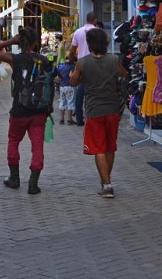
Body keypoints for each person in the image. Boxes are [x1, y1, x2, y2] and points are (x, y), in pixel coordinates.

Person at [0, 27, 53, 194]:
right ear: (36, 43)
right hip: (39, 111)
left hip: (19, 110)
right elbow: (50, 83)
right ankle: (33, 183)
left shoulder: (15, 59)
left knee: (13, 141)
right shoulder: (44, 60)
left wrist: (11, 41)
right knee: (37, 145)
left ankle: (14, 178)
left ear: (21, 41)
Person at [69, 28, 127, 198]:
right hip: (113, 109)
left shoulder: (83, 62)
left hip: (94, 110)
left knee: (98, 148)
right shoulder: (114, 59)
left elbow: (73, 82)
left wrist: (76, 75)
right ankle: (106, 180)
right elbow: (124, 74)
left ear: (89, 43)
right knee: (110, 147)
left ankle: (107, 185)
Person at [69, 12, 98, 126]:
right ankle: (94, 116)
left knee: (80, 91)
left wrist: (73, 60)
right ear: (95, 20)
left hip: (81, 63)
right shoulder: (97, 32)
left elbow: (72, 49)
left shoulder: (78, 32)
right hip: (95, 63)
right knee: (95, 90)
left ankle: (79, 118)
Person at [56, 57, 76, 125]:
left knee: (62, 102)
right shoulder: (72, 67)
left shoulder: (61, 67)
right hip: (70, 86)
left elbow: (58, 78)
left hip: (62, 87)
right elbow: (71, 75)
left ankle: (62, 119)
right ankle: (69, 120)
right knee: (70, 103)